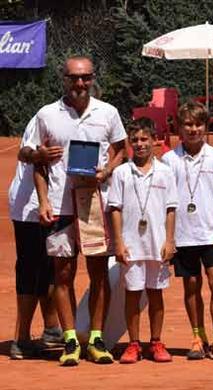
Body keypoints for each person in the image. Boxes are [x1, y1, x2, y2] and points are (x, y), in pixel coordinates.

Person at [30, 55, 126, 366]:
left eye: (85, 77)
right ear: (64, 79)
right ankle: (70, 339)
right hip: (60, 206)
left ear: (93, 78)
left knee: (98, 273)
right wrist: (44, 202)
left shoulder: (107, 112)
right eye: (74, 78)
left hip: (95, 205)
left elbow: (121, 148)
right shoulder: (47, 114)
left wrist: (107, 171)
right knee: (63, 273)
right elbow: (37, 161)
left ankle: (96, 338)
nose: (80, 83)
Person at [162, 101, 213, 362]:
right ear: (179, 128)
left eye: (198, 124)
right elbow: (166, 203)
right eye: (188, 124)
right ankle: (198, 338)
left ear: (205, 127)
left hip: (211, 233)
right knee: (192, 285)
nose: (193, 129)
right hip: (183, 234)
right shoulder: (169, 160)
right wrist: (169, 238)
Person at [108, 119, 177, 364]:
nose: (139, 144)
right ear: (129, 143)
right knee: (133, 294)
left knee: (156, 294)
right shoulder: (121, 172)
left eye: (144, 139)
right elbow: (114, 209)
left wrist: (170, 241)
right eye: (134, 140)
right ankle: (134, 343)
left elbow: (171, 209)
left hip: (157, 244)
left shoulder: (166, 172)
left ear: (154, 140)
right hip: (131, 244)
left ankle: (156, 342)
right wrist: (118, 242)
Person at [10, 116, 63, 359]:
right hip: (30, 207)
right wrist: (38, 156)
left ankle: (52, 329)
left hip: (60, 204)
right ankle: (21, 338)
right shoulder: (46, 116)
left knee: (52, 266)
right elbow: (24, 152)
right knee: (30, 269)